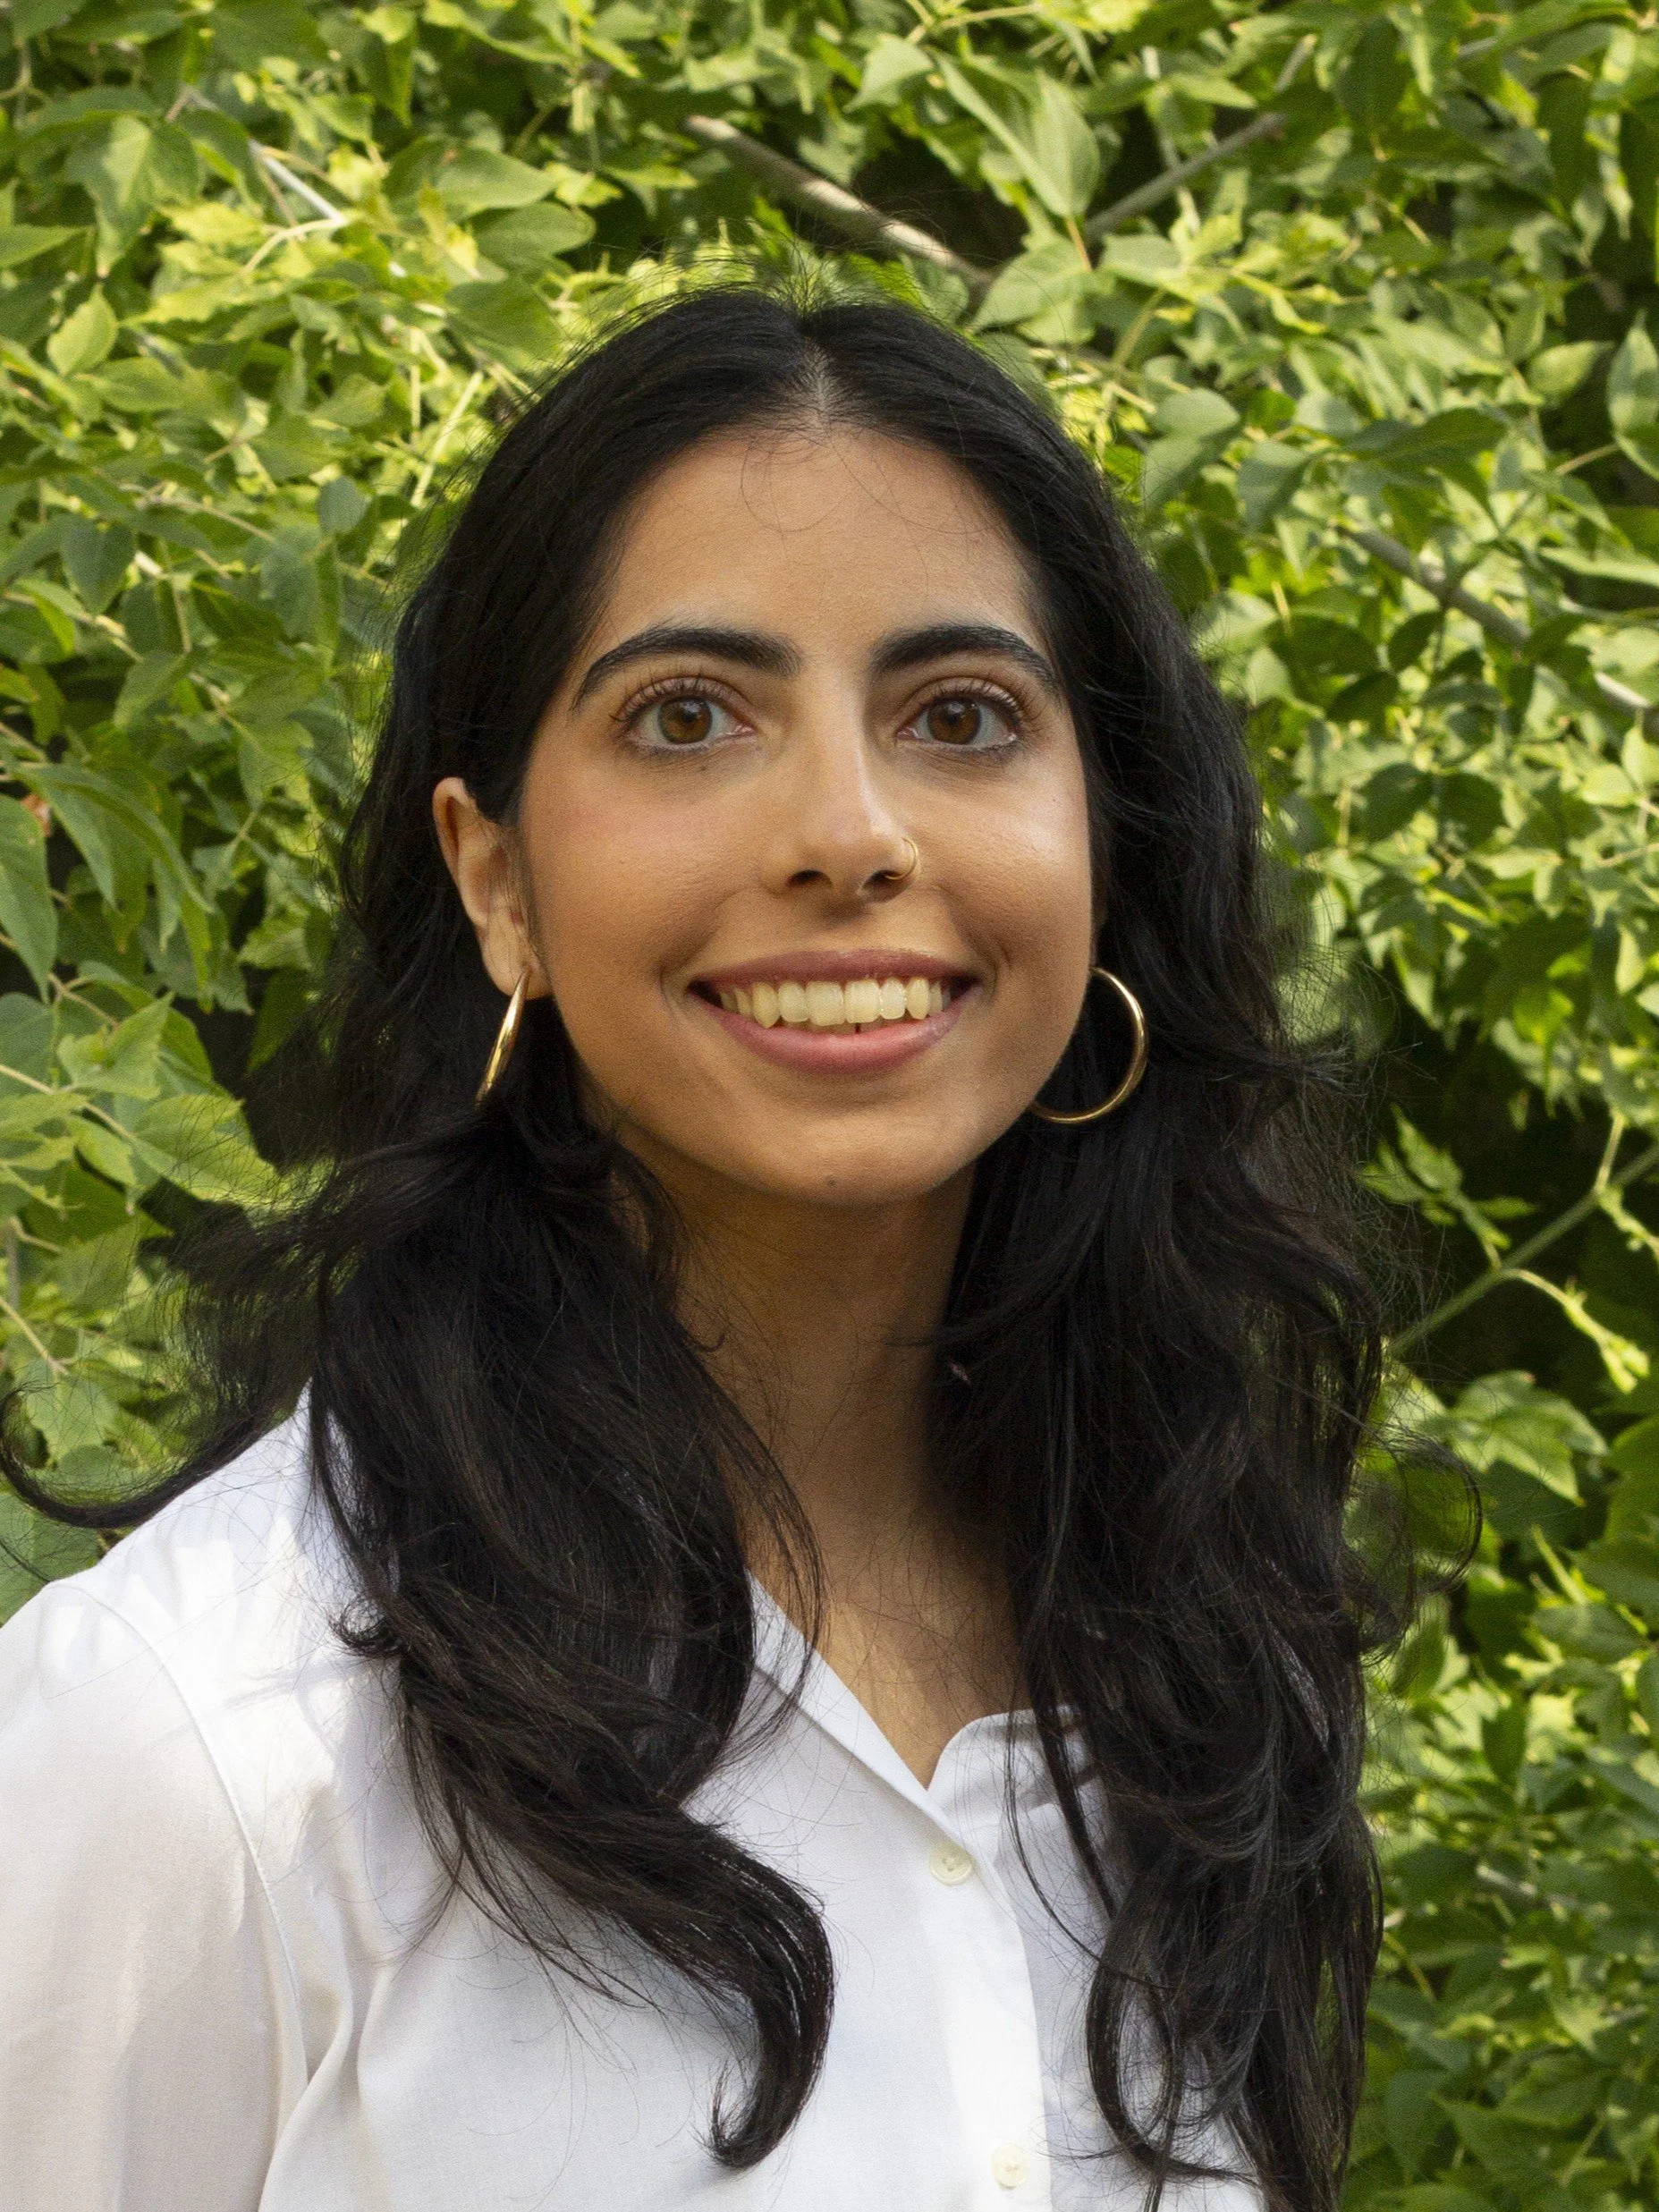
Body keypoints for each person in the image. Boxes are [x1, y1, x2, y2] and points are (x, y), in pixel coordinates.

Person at [0, 281, 1386, 2212]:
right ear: (499, 882)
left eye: (963, 716)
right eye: (687, 717)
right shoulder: (202, 1747)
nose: (848, 829)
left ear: (1105, 842)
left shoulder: (1185, 1651)